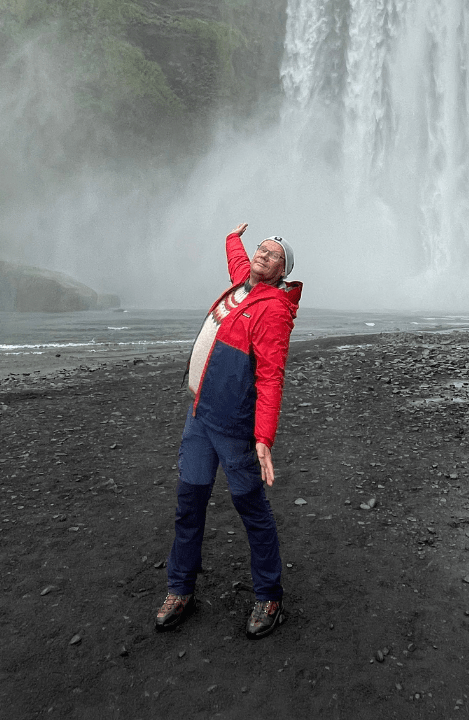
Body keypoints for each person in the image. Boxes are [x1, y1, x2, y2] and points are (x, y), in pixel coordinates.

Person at [155, 222, 302, 640]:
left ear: (282, 270)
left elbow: (272, 377)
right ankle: (180, 590)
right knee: (189, 503)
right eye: (261, 248)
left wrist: (264, 439)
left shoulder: (273, 309)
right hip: (199, 418)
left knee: (251, 509)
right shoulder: (243, 282)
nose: (263, 255)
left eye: (274, 255)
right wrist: (230, 236)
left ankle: (269, 596)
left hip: (234, 426)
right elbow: (237, 258)